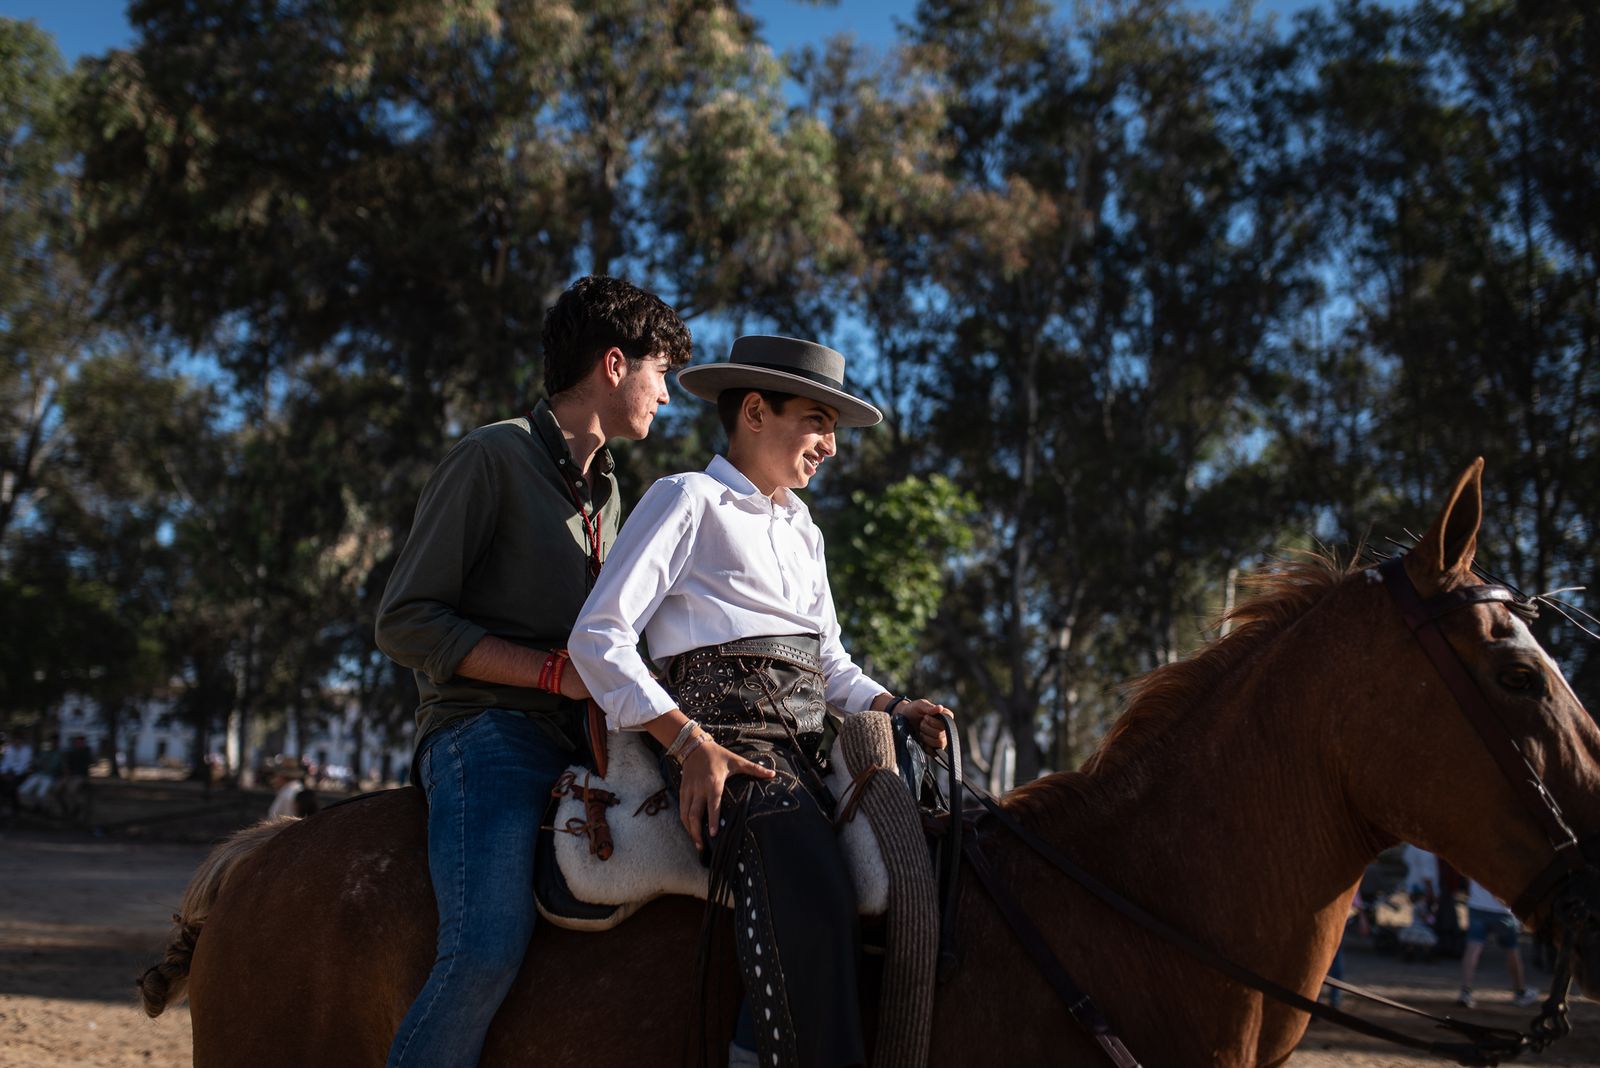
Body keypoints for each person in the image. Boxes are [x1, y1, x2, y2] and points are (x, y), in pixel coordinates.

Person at [569, 335, 953, 1068]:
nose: (831, 446)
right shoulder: (687, 499)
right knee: (814, 889)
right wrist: (690, 744)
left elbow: (829, 662)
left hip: (807, 755)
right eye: (817, 421)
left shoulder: (805, 531)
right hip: (726, 752)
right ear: (753, 411)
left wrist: (895, 705)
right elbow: (599, 637)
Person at [374, 275, 690, 1068]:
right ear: (614, 365)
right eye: (661, 374)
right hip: (485, 735)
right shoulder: (491, 456)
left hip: (587, 745)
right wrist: (554, 676)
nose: (667, 396)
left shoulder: (612, 494)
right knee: (483, 952)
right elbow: (405, 621)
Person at [1457, 878, 1540, 1008]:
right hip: (1502, 910)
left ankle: (1465, 991)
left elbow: (1467, 879)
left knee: (1473, 947)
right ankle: (1520, 991)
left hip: (1477, 906)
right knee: (1512, 949)